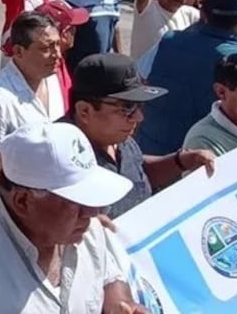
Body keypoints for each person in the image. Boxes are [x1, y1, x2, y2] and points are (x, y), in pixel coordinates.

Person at [0, 122, 147, 314]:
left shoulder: (88, 228)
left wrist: (121, 302)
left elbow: (109, 275)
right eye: (77, 202)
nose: (93, 212)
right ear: (22, 201)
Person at [62, 53, 215, 218]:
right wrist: (85, 223)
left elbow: (138, 172)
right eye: (126, 107)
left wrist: (180, 161)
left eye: (139, 105)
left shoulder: (119, 138)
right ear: (84, 111)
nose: (138, 117)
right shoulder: (58, 158)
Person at [136, 0, 237, 156]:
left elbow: (141, 81)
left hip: (150, 155)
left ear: (203, 13)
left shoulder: (168, 42)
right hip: (201, 163)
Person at [0, 12, 63, 204]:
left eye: (57, 45)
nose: (57, 55)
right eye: (46, 48)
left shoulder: (52, 79)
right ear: (19, 51)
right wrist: (6, 214)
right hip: (12, 207)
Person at [31, 0, 90, 108]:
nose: (75, 31)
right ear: (64, 34)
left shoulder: (59, 60)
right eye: (72, 28)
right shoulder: (47, 68)